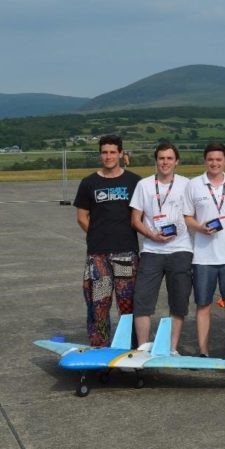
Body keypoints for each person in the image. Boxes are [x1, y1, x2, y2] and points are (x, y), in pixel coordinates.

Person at [73, 134, 141, 347]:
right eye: (104, 152)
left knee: (127, 305)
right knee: (99, 305)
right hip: (98, 256)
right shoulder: (89, 183)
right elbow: (82, 217)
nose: (108, 156)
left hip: (126, 255)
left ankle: (128, 349)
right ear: (100, 154)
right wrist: (96, 233)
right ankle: (100, 348)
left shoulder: (134, 181)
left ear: (121, 153)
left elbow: (140, 215)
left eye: (113, 152)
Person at [129, 141, 192, 354]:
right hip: (151, 250)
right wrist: (151, 235)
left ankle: (172, 348)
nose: (165, 162)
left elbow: (192, 215)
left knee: (179, 301)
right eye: (161, 158)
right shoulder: (144, 185)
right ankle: (143, 347)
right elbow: (135, 219)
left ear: (177, 161)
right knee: (142, 300)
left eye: (169, 158)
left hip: (180, 249)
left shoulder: (187, 184)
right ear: (156, 160)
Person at [183, 142, 225, 357]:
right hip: (203, 256)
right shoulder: (194, 185)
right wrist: (199, 227)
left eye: (219, 159)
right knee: (203, 304)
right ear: (204, 161)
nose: (214, 163)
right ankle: (203, 351)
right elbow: (187, 216)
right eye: (210, 159)